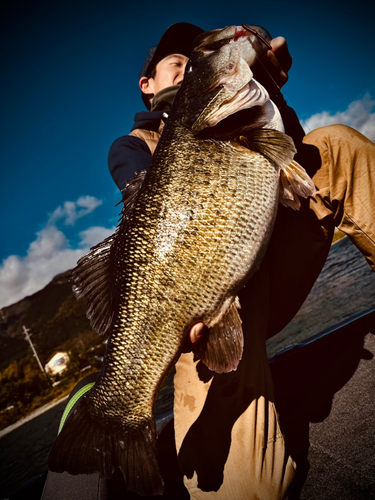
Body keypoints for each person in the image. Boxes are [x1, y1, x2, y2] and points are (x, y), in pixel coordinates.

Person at [43, 22, 375, 500]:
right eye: (178, 65)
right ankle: (108, 410)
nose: (189, 70)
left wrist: (272, 93)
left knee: (336, 145)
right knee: (245, 490)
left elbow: (293, 158)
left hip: (271, 270)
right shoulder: (133, 146)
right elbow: (145, 210)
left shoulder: (247, 108)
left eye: (197, 64)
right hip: (203, 319)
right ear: (148, 85)